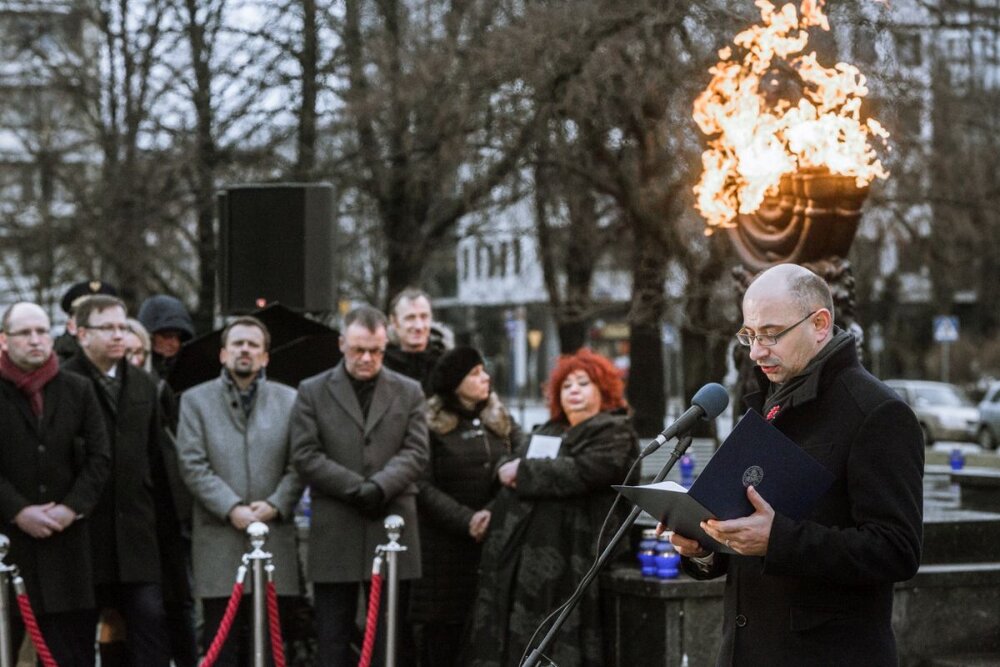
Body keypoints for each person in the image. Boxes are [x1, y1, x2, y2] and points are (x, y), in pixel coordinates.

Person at [668, 263, 924, 666]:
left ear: (820, 324)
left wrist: (778, 540)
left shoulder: (877, 412)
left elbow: (897, 550)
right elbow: (750, 532)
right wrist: (704, 547)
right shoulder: (769, 402)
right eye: (749, 335)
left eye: (770, 334)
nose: (755, 351)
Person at [464, 348, 639, 667]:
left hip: (575, 557)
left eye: (583, 383)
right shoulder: (548, 430)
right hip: (521, 559)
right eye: (566, 385)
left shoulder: (614, 432)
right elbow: (514, 458)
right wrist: (505, 484)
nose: (573, 390)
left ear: (604, 389)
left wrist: (524, 472)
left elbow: (587, 471)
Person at [290, 305, 428, 667]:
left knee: (391, 640)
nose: (367, 358)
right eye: (358, 350)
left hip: (392, 521)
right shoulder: (312, 391)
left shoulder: (409, 391)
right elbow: (305, 454)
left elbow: (416, 451)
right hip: (336, 526)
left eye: (376, 351)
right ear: (341, 344)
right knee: (333, 638)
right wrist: (356, 488)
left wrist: (380, 487)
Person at [176, 316, 304, 666]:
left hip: (273, 536)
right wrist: (232, 507)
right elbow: (192, 464)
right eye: (237, 344)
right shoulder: (194, 401)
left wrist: (277, 504)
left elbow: (301, 463)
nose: (244, 350)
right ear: (223, 354)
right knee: (222, 645)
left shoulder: (290, 400)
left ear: (265, 357)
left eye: (252, 345)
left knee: (272, 645)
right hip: (219, 540)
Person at [62, 295, 175, 666]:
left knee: (148, 628)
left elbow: (157, 459)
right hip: (81, 538)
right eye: (106, 327)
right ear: (81, 334)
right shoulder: (63, 385)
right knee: (78, 638)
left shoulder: (143, 384)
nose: (117, 336)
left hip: (137, 537)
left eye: (122, 327)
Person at [0, 302, 112, 666]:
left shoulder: (78, 389)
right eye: (24, 333)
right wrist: (17, 511)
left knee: (71, 655)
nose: (36, 340)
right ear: (4, 340)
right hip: (9, 548)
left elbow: (100, 457)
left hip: (68, 555)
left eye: (42, 331)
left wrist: (71, 508)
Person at [409, 347, 522, 666]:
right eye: (474, 373)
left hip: (491, 544)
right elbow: (420, 483)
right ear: (454, 381)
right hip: (442, 554)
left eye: (483, 370)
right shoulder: (428, 423)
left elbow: (520, 463)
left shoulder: (500, 420)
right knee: (444, 641)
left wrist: (491, 512)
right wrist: (467, 520)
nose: (485, 377)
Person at [383, 287, 444, 394]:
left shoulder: (447, 363)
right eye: (410, 318)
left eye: (424, 317)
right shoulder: (380, 365)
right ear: (394, 321)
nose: (419, 326)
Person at [54, 280, 119, 361]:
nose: (96, 321)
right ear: (71, 324)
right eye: (86, 314)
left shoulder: (127, 355)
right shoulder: (55, 364)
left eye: (104, 315)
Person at [137, 294, 195, 379]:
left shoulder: (187, 372)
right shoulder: (131, 371)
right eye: (168, 336)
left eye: (180, 338)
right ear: (149, 336)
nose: (175, 344)